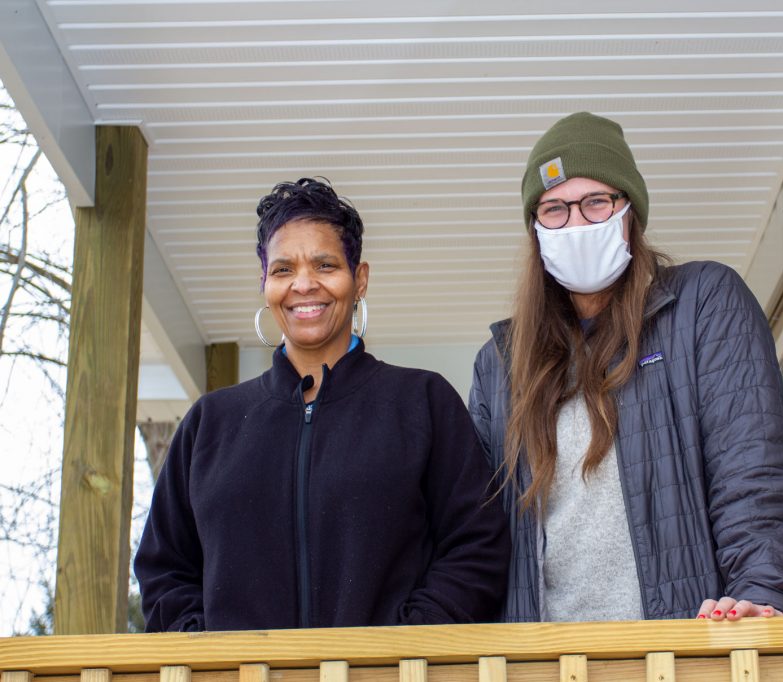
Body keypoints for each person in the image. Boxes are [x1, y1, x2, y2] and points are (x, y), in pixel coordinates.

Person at [469, 113, 783, 624]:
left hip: (681, 652)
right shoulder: (501, 364)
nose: (577, 223)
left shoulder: (702, 306)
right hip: (546, 662)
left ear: (630, 212)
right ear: (535, 229)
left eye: (596, 203)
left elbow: (751, 470)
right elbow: (477, 534)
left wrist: (762, 594)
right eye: (555, 209)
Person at [135, 178, 510, 632]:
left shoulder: (422, 403)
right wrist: (209, 657)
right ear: (264, 284)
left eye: (325, 264)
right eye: (283, 269)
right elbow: (164, 568)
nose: (304, 285)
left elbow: (478, 545)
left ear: (360, 280)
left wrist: (406, 645)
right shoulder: (210, 424)